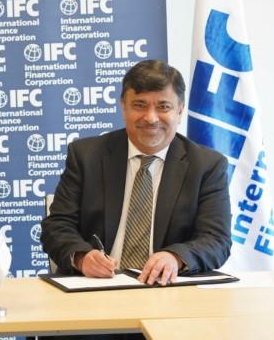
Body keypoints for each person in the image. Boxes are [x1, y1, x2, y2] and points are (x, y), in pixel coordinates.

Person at [41, 59, 231, 286]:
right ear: (123, 106)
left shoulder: (207, 166)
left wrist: (176, 258)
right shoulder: (86, 156)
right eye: (140, 105)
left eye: (163, 107)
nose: (151, 118)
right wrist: (82, 257)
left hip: (168, 288)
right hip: (98, 287)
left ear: (180, 110)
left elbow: (216, 240)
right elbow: (56, 227)